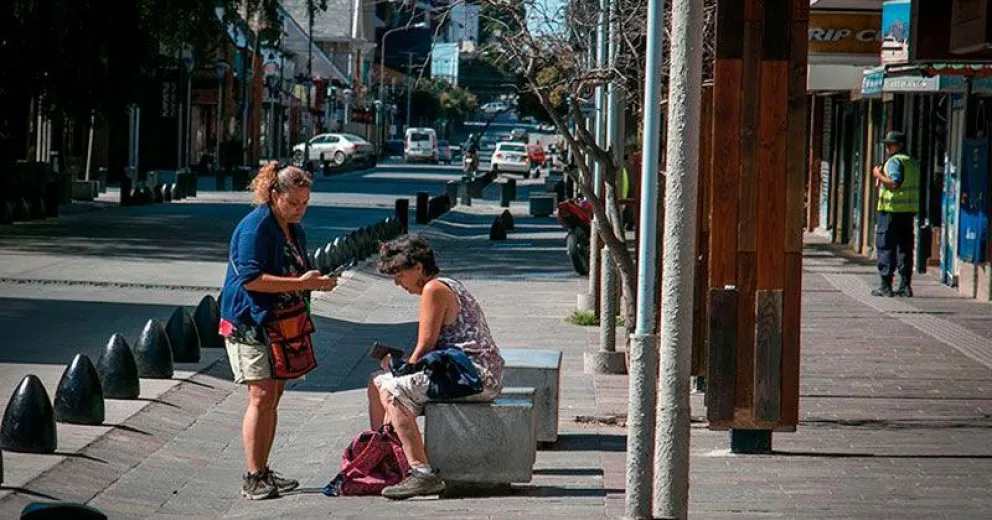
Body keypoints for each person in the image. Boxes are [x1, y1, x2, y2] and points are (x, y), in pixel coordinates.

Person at [219, 162, 338, 500]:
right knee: (260, 396)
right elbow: (251, 279)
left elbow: (295, 268)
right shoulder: (255, 228)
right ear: (274, 195)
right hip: (251, 321)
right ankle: (253, 476)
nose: (300, 210)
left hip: (282, 321)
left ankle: (263, 468)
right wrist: (302, 283)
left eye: (305, 203)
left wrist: (314, 280)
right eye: (293, 202)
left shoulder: (292, 228)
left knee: (273, 395)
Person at [367, 235, 504, 500]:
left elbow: (424, 346)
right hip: (466, 371)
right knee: (377, 381)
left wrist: (399, 369)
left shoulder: (434, 289)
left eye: (400, 274)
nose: (398, 283)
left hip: (473, 375)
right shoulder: (447, 284)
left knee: (394, 391)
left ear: (418, 267)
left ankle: (422, 473)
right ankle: (385, 457)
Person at [871, 130, 920, 298]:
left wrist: (878, 175)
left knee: (886, 246)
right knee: (905, 248)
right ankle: (905, 285)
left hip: (891, 211)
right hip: (907, 212)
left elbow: (894, 183)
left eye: (890, 145)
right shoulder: (912, 162)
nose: (887, 148)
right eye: (886, 145)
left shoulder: (894, 162)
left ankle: (886, 286)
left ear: (899, 145)